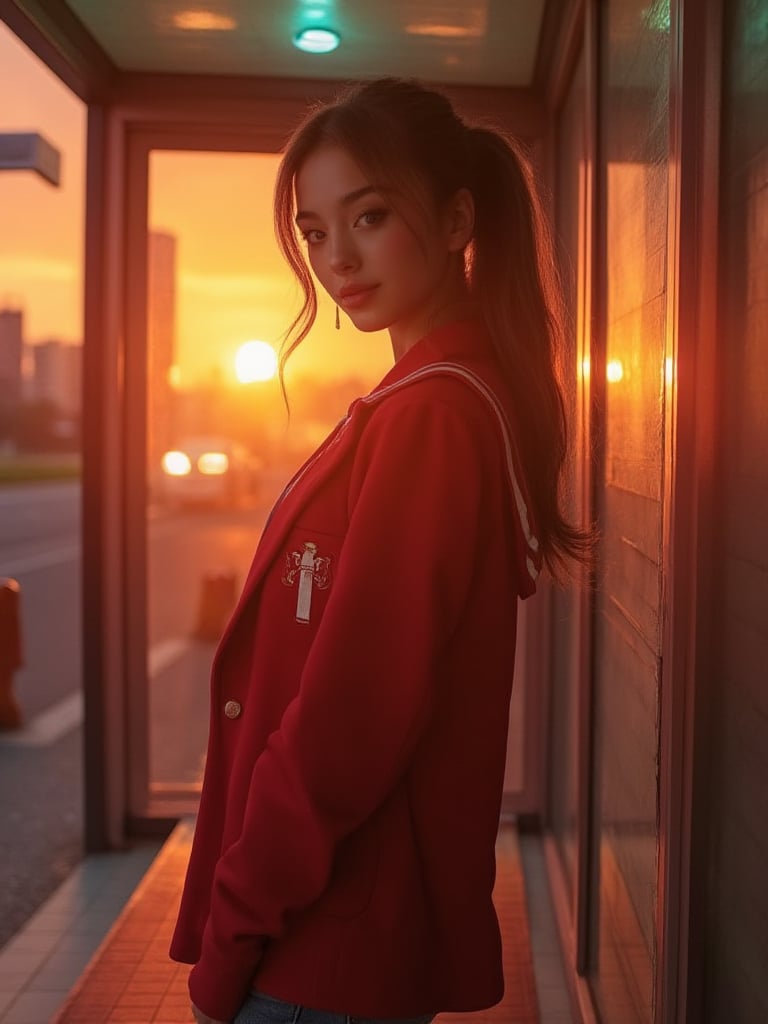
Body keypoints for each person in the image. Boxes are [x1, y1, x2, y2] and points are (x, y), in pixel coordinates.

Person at [170, 77, 589, 1024]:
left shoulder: (432, 416)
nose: (337, 260)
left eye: (368, 217)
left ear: (455, 221)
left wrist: (234, 925)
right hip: (340, 923)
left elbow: (350, 719)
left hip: (324, 941)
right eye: (315, 232)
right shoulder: (437, 398)